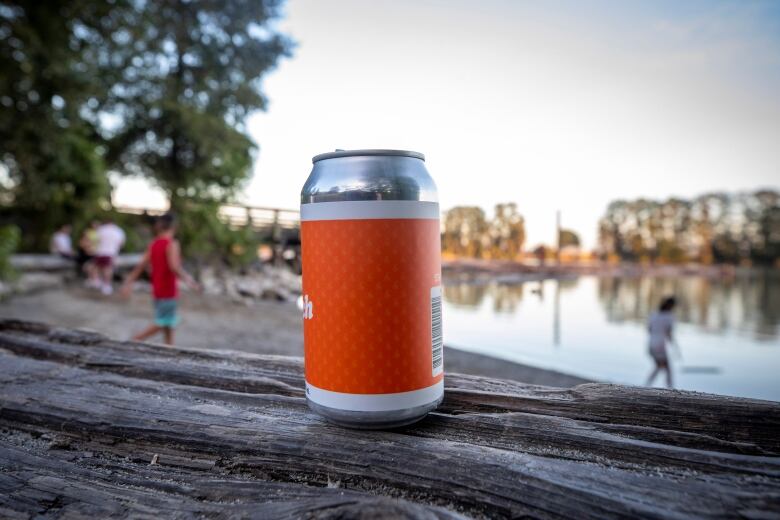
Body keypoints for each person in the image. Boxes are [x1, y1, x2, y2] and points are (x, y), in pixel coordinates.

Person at [121, 213, 200, 346]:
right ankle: (133, 341)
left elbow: (141, 265)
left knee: (168, 323)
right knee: (164, 322)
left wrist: (128, 282)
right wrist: (189, 279)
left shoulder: (154, 244)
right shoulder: (172, 243)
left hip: (157, 289)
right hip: (168, 289)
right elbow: (174, 267)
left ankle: (170, 349)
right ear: (174, 226)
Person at [646, 296, 677, 388]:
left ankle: (646, 385)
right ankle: (671, 390)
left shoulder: (654, 314)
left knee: (659, 366)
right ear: (671, 306)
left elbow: (649, 329)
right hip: (660, 345)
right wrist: (675, 346)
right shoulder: (669, 317)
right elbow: (669, 333)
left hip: (651, 343)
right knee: (667, 369)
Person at [94, 218, 126, 295]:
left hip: (100, 252)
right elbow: (121, 243)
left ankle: (101, 282)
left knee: (100, 268)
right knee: (108, 269)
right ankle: (107, 285)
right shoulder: (119, 231)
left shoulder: (101, 229)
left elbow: (96, 240)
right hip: (111, 252)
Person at [77, 221, 100, 286]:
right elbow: (87, 251)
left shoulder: (88, 241)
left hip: (89, 257)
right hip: (85, 258)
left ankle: (93, 279)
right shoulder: (83, 241)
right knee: (91, 266)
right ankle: (93, 279)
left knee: (93, 266)